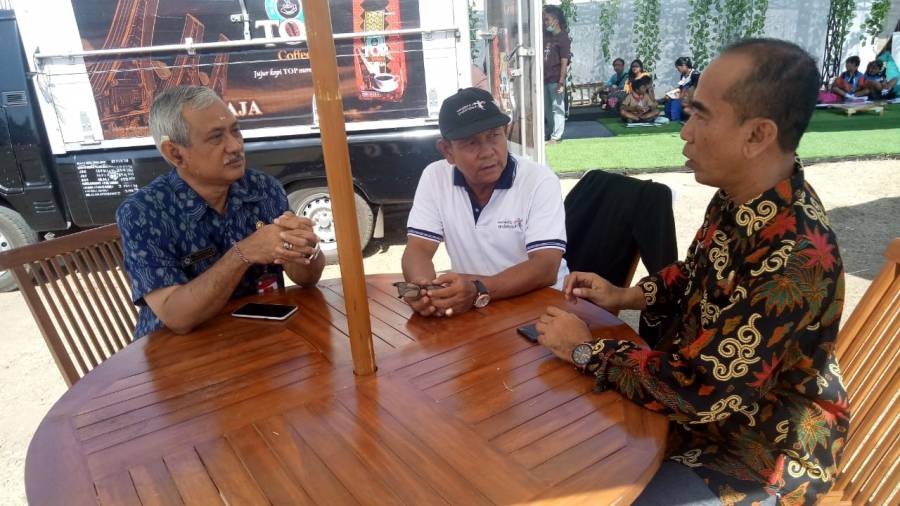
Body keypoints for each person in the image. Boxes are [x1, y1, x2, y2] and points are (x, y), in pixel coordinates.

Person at [537, 39, 847, 505]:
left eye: (700, 115)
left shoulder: (798, 256)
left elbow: (704, 391)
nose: (685, 131)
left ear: (757, 136)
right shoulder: (738, 197)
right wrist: (623, 295)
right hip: (691, 414)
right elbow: (696, 272)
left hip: (756, 452)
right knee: (554, 448)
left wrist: (586, 350)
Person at [117, 86, 325, 338]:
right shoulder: (143, 212)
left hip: (259, 338)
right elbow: (177, 317)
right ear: (175, 153)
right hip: (178, 351)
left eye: (235, 131)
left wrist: (305, 247)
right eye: (216, 137)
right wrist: (243, 253)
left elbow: (306, 279)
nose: (235, 146)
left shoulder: (262, 188)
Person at [401, 87, 568, 318]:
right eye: (471, 143)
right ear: (447, 151)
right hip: (476, 306)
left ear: (505, 132)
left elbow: (545, 267)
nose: (488, 152)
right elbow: (418, 248)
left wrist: (479, 290)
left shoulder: (538, 180)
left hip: (542, 305)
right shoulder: (435, 177)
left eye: (494, 136)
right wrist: (422, 290)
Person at [542, 5, 571, 144]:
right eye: (544, 19)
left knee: (557, 107)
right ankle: (551, 133)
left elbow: (564, 62)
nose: (545, 22)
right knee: (547, 108)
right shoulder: (546, 35)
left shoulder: (563, 38)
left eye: (547, 19)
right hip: (544, 78)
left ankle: (556, 136)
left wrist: (561, 81)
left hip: (555, 79)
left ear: (556, 20)